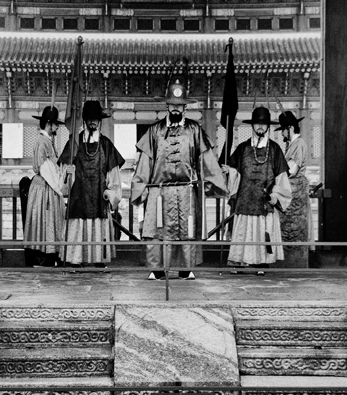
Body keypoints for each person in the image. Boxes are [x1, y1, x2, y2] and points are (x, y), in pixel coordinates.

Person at [131, 77, 227, 280]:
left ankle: (186, 268)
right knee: (157, 230)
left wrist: (212, 181)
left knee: (187, 229)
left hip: (186, 191)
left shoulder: (194, 130)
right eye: (173, 105)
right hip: (159, 191)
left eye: (180, 105)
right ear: (167, 105)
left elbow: (206, 160)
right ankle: (157, 270)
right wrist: (141, 186)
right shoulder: (154, 131)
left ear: (185, 107)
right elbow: (144, 163)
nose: (176, 109)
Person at [224, 106, 292, 273]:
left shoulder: (275, 149)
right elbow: (234, 172)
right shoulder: (242, 148)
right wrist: (229, 172)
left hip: (264, 201)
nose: (260, 127)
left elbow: (282, 178)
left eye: (263, 124)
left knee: (263, 233)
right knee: (243, 233)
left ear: (268, 126)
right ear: (252, 126)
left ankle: (261, 263)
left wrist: (276, 195)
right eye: (257, 123)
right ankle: (240, 262)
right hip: (245, 199)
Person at [58, 100, 125, 268]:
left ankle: (98, 260)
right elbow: (64, 170)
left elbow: (114, 175)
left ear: (100, 121)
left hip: (98, 194)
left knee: (98, 225)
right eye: (89, 118)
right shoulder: (74, 143)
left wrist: (111, 192)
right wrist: (68, 174)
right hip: (79, 194)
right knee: (78, 223)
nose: (92, 122)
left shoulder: (106, 145)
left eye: (95, 119)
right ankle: (76, 259)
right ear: (84, 120)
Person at [24, 106, 69, 268]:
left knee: (46, 221)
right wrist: (61, 188)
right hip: (45, 186)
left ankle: (47, 256)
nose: (57, 127)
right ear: (49, 124)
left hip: (44, 185)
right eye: (56, 124)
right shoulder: (43, 141)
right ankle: (45, 257)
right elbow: (47, 169)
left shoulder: (46, 140)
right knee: (46, 220)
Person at [276, 110, 312, 265]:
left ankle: (297, 262)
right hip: (288, 190)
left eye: (283, 130)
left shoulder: (299, 144)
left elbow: (291, 170)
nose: (282, 134)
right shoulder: (292, 145)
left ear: (290, 128)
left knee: (296, 229)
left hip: (295, 191)